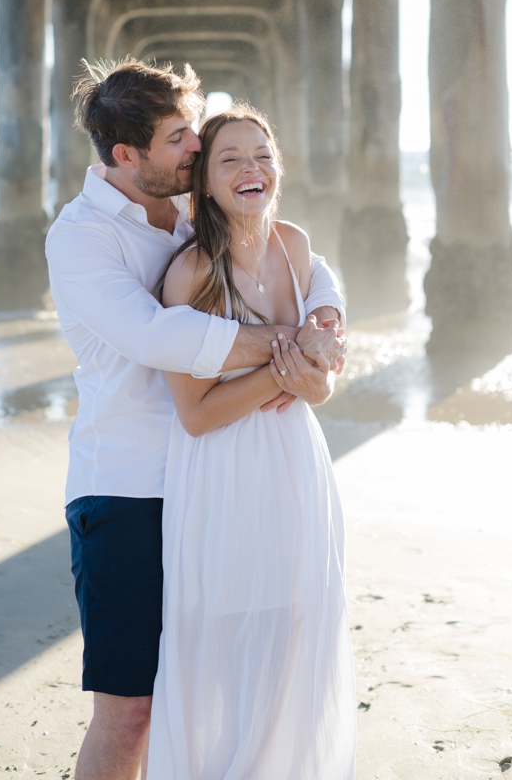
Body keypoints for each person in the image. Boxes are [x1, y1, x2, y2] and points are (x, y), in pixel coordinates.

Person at [43, 61, 345, 780]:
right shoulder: (81, 238)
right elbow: (159, 337)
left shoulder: (189, 204)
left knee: (221, 690)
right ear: (126, 155)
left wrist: (326, 316)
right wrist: (289, 349)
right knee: (132, 710)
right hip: (128, 490)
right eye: (181, 138)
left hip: (222, 487)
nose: (197, 150)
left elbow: (298, 255)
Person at [149, 105, 354, 778]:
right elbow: (198, 416)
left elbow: (320, 387)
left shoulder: (295, 248)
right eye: (230, 158)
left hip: (295, 466)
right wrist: (281, 369)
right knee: (232, 647)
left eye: (262, 155)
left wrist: (310, 381)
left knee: (298, 635)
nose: (251, 169)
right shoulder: (190, 276)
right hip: (222, 477)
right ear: (204, 180)